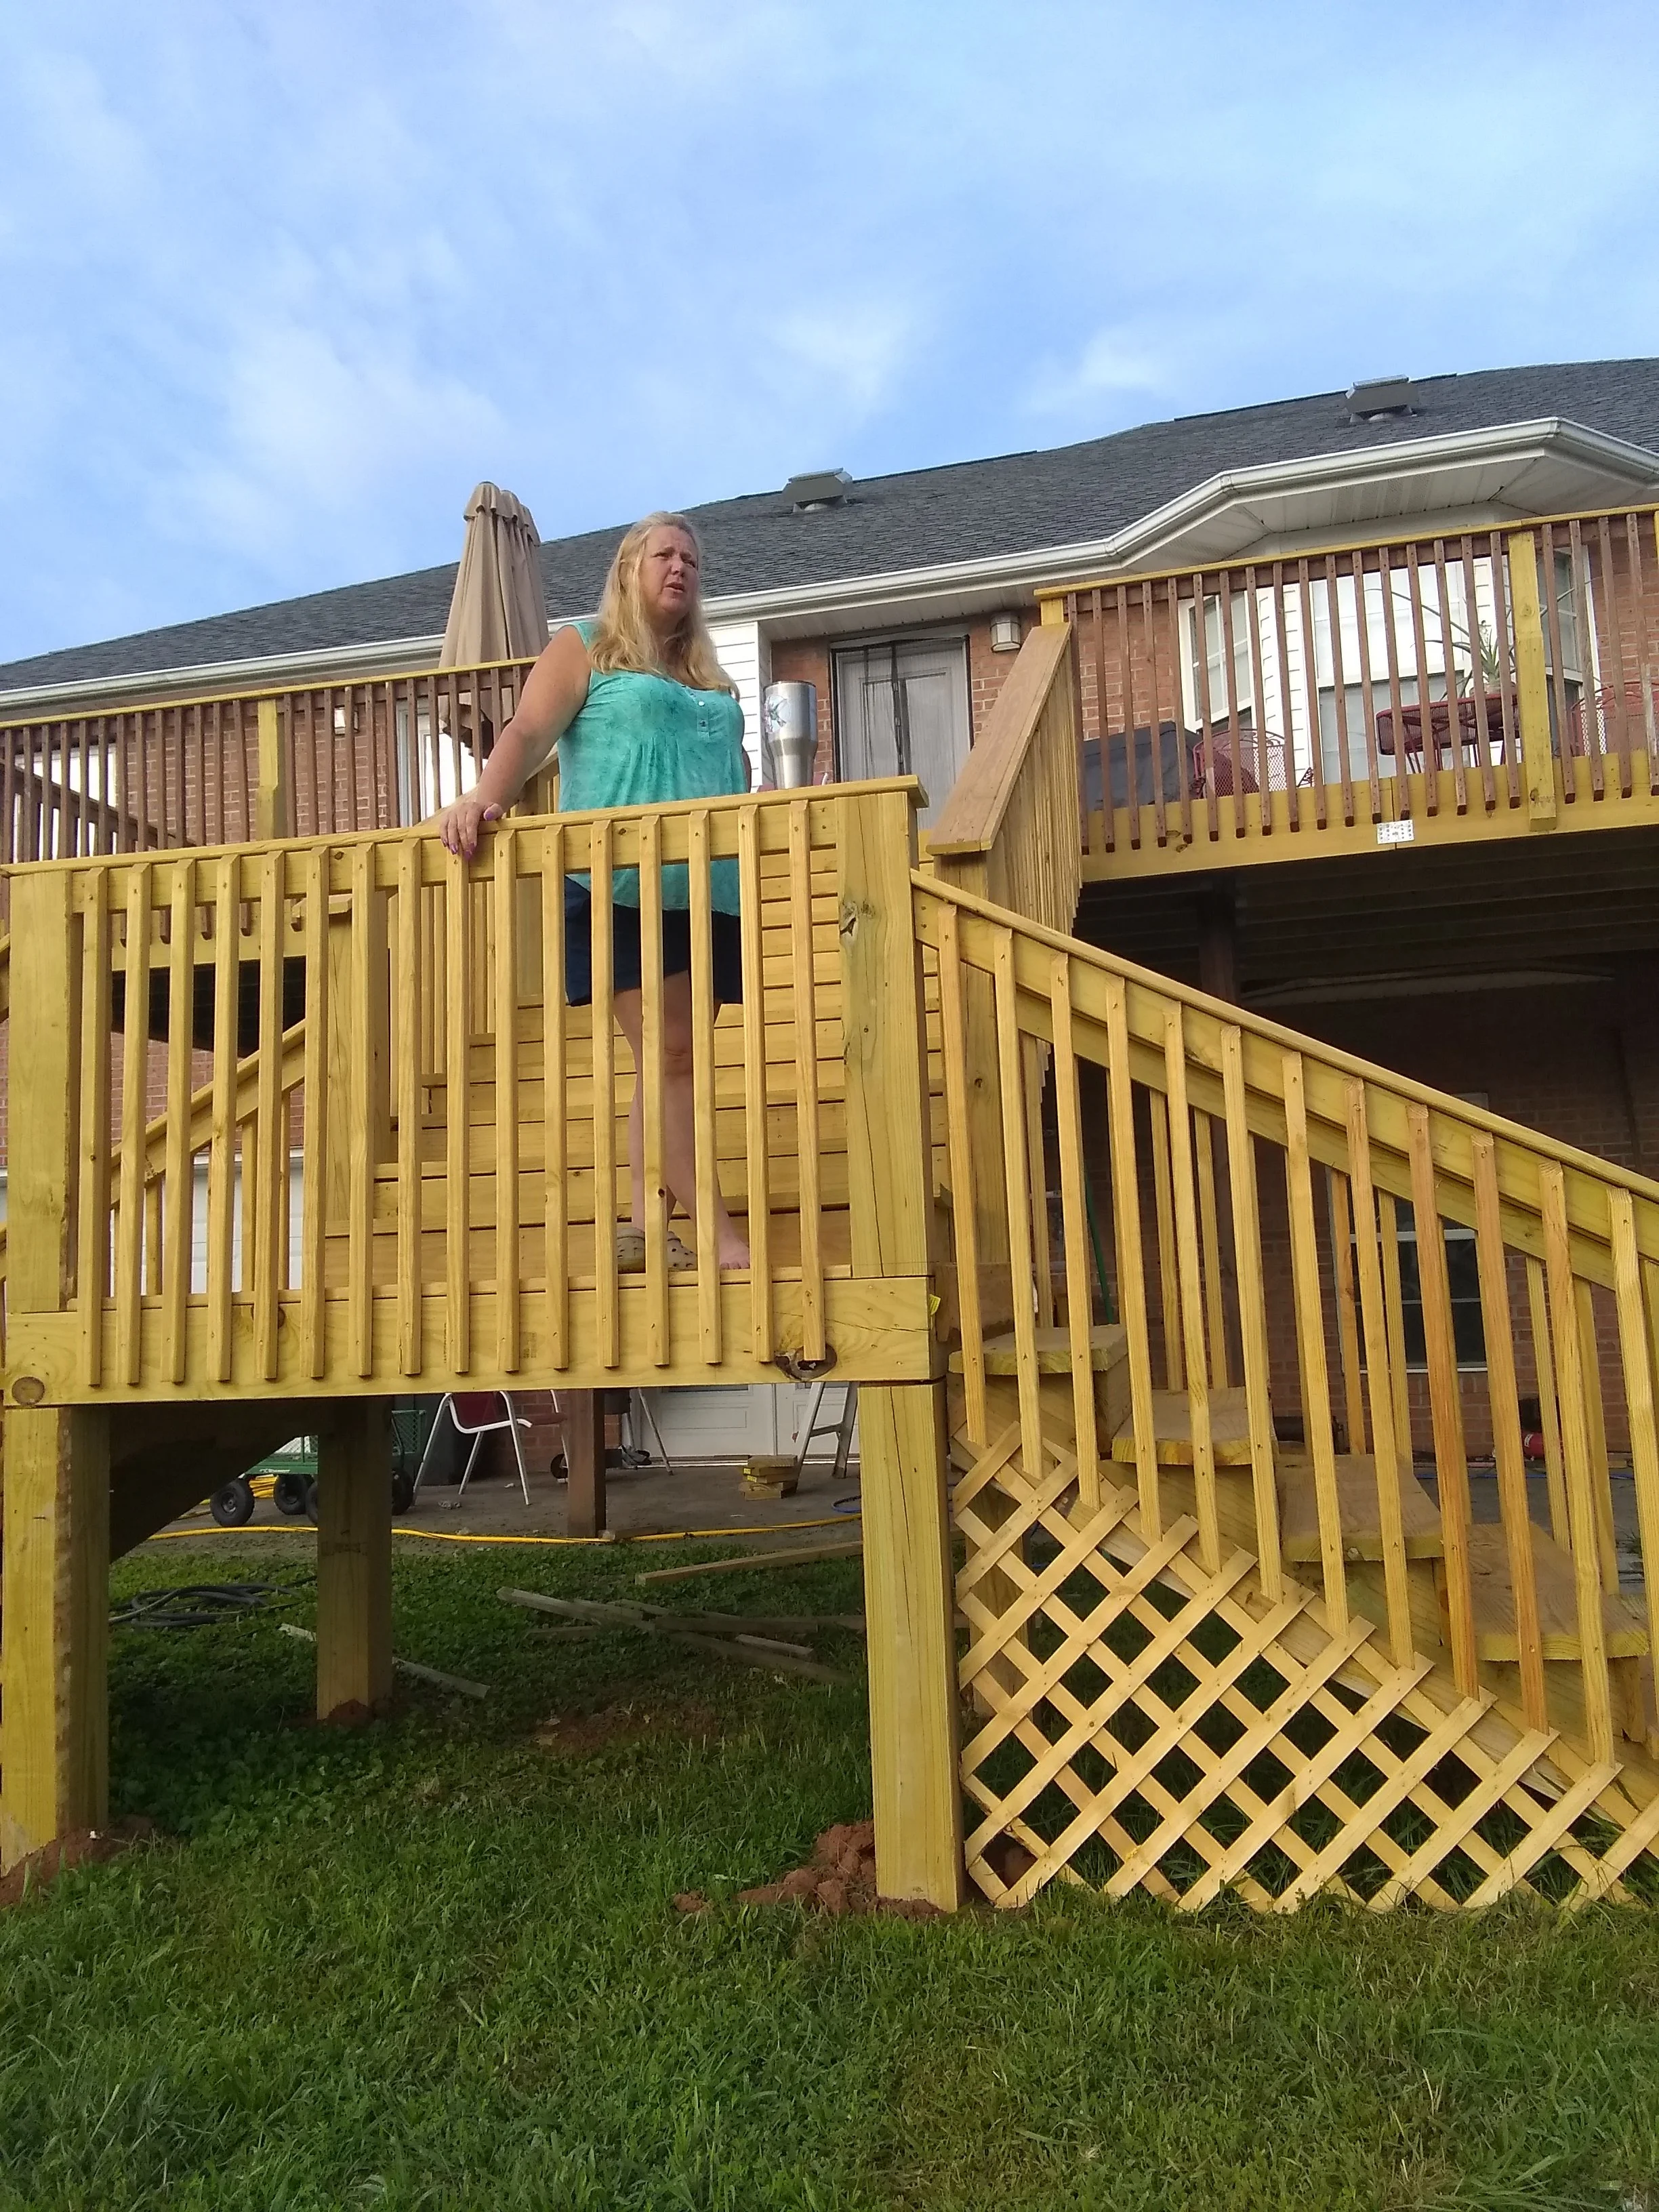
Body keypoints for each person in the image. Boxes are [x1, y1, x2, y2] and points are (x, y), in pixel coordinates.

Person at [437, 512, 752, 1271]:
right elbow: (525, 733)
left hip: (707, 890)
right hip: (618, 884)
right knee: (671, 1054)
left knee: (667, 1061)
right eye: (664, 555)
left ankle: (644, 1227)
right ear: (628, 570)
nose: (680, 568)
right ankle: (718, 1234)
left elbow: (730, 771)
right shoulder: (585, 646)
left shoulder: (711, 680)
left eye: (691, 559)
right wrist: (483, 798)